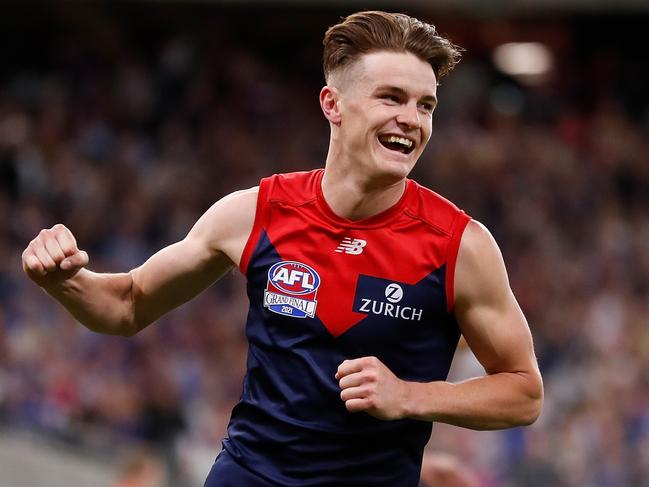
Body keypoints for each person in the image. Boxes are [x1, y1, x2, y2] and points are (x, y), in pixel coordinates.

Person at [22, 10, 543, 487]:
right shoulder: (255, 212)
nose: (413, 119)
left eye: (425, 105)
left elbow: (523, 392)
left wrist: (412, 396)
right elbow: (128, 303)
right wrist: (63, 281)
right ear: (332, 104)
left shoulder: (459, 244)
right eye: (392, 97)